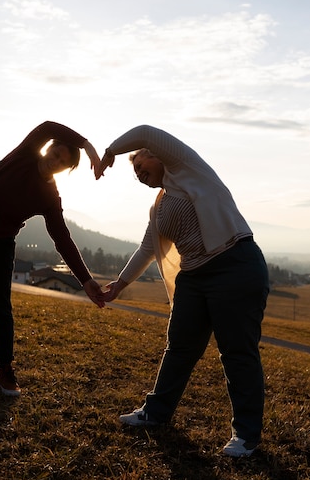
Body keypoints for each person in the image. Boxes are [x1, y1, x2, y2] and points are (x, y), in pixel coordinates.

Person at [97, 125, 269, 458]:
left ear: (157, 156)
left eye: (140, 166)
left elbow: (146, 131)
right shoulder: (159, 205)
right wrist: (119, 284)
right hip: (194, 277)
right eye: (135, 174)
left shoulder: (188, 170)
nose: (138, 174)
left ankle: (246, 435)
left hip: (234, 265)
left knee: (236, 353)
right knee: (179, 349)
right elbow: (148, 247)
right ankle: (156, 412)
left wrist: (110, 152)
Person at [0, 121, 105, 397]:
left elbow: (62, 239)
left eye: (62, 162)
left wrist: (86, 279)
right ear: (48, 149)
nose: (54, 161)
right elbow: (48, 126)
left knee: (0, 306)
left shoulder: (50, 197)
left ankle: (5, 369)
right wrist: (87, 146)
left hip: (0, 242)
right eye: (54, 153)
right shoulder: (25, 153)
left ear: (64, 170)